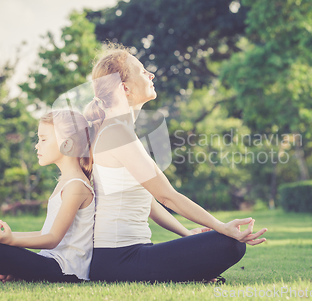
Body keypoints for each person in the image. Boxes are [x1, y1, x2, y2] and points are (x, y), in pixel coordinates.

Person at [84, 44, 268, 283]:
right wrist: (221, 226)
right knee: (229, 244)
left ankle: (189, 273)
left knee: (219, 243)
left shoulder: (117, 130)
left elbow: (149, 202)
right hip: (119, 260)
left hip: (122, 258)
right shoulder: (117, 132)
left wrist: (186, 233)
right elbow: (167, 196)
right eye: (142, 71)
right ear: (125, 88)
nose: (151, 75)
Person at [0, 110, 95, 283]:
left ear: (67, 144)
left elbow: (52, 239)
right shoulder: (65, 182)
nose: (37, 145)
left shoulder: (76, 186)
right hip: (48, 260)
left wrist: (11, 240)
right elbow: (45, 233)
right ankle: (9, 273)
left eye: (43, 139)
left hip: (66, 270)